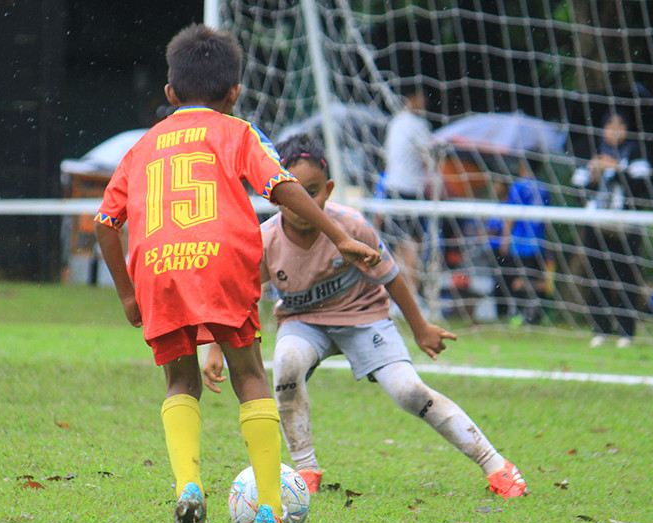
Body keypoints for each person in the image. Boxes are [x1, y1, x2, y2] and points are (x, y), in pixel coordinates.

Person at [93, 25, 381, 523]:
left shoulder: (141, 147)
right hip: (222, 258)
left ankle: (188, 488)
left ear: (169, 93)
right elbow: (284, 189)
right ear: (234, 94)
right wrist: (339, 236)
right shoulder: (238, 133)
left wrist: (125, 291)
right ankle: (270, 508)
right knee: (248, 374)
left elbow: (104, 223)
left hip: (158, 267)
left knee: (181, 383)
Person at [202, 134, 527, 499]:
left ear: (328, 188)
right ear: (274, 195)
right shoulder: (265, 240)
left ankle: (496, 465)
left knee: (409, 391)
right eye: (293, 195)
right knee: (287, 363)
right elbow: (238, 294)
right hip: (303, 322)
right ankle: (306, 470)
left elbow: (391, 276)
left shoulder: (352, 226)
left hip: (364, 320)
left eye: (313, 191)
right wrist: (215, 347)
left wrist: (420, 328)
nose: (303, 203)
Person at [571, 110, 652, 348]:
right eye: (610, 124)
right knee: (598, 276)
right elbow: (577, 193)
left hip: (626, 224)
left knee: (626, 276)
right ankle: (601, 329)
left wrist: (616, 169)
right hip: (596, 223)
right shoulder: (590, 151)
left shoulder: (636, 152)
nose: (615, 129)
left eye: (621, 124)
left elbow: (641, 187)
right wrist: (594, 177)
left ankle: (627, 331)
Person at [380, 86, 437, 303]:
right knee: (412, 244)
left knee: (397, 245)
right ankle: (411, 296)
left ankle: (395, 297)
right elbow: (427, 158)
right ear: (413, 98)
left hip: (391, 189)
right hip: (409, 191)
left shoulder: (396, 122)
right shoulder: (418, 124)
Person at [485, 157, 553, 325]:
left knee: (517, 282)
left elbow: (511, 215)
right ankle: (531, 315)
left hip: (521, 243)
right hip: (538, 242)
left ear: (523, 165)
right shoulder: (544, 188)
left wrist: (505, 239)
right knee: (531, 280)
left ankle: (520, 315)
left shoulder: (519, 186)